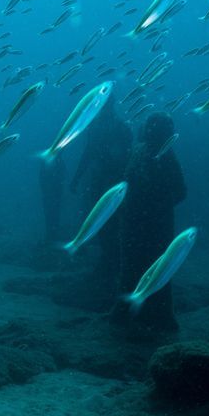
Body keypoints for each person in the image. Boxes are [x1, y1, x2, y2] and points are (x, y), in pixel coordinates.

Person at [115, 112, 187, 333]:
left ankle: (158, 314)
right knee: (132, 265)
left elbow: (181, 191)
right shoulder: (139, 151)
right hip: (136, 222)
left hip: (154, 224)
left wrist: (156, 210)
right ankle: (128, 311)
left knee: (157, 266)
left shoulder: (166, 155)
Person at [71, 99, 132, 287]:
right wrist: (77, 178)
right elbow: (88, 154)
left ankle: (113, 262)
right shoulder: (97, 126)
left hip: (114, 182)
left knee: (112, 223)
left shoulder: (120, 127)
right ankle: (109, 260)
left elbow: (127, 156)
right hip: (100, 181)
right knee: (100, 221)